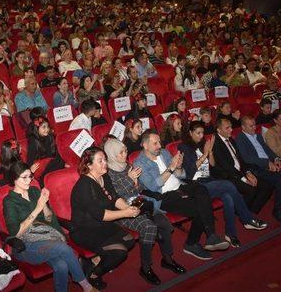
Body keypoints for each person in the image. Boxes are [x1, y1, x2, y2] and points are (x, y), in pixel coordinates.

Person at [134, 130, 229, 260]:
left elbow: (181, 175)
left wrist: (178, 167)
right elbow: (153, 186)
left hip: (180, 185)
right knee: (199, 208)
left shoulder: (164, 153)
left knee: (201, 190)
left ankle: (211, 235)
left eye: (159, 143)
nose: (159, 146)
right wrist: (171, 168)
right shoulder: (140, 163)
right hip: (164, 196)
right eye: (155, 143)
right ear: (145, 145)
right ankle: (191, 244)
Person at [3, 162, 96, 292]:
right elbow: (16, 233)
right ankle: (86, 286)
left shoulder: (34, 191)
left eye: (30, 176)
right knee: (64, 249)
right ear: (14, 179)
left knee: (62, 266)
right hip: (25, 245)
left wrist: (45, 203)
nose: (29, 180)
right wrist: (38, 208)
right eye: (24, 177)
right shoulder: (9, 201)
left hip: (45, 236)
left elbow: (48, 219)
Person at [104, 139, 185, 284]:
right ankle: (145, 267)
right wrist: (130, 180)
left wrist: (135, 183)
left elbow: (140, 188)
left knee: (164, 224)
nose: (125, 155)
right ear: (111, 155)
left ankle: (167, 259)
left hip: (139, 202)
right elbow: (115, 196)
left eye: (125, 151)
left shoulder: (127, 165)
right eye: (120, 153)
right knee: (149, 227)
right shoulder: (107, 173)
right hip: (123, 209)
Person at [180, 121, 268, 247]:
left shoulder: (203, 144)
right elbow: (189, 172)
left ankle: (230, 234)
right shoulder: (184, 148)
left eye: (202, 133)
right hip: (196, 184)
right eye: (198, 133)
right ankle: (247, 219)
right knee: (228, 185)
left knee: (228, 198)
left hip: (209, 180)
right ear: (190, 133)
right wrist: (205, 154)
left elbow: (213, 165)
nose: (201, 136)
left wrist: (210, 152)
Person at [70, 147, 138, 289]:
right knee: (120, 252)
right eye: (100, 161)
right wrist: (125, 213)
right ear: (89, 165)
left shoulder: (104, 176)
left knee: (130, 240)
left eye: (105, 160)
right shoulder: (84, 186)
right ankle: (94, 274)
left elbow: (114, 197)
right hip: (84, 230)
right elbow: (100, 214)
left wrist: (127, 208)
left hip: (101, 224)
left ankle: (93, 261)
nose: (105, 163)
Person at [232, 116, 281, 223]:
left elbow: (268, 151)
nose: (255, 127)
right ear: (243, 127)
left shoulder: (258, 136)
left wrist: (277, 159)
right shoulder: (240, 138)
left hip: (270, 164)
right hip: (258, 168)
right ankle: (278, 210)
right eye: (251, 126)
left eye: (255, 124)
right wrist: (267, 163)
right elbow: (247, 158)